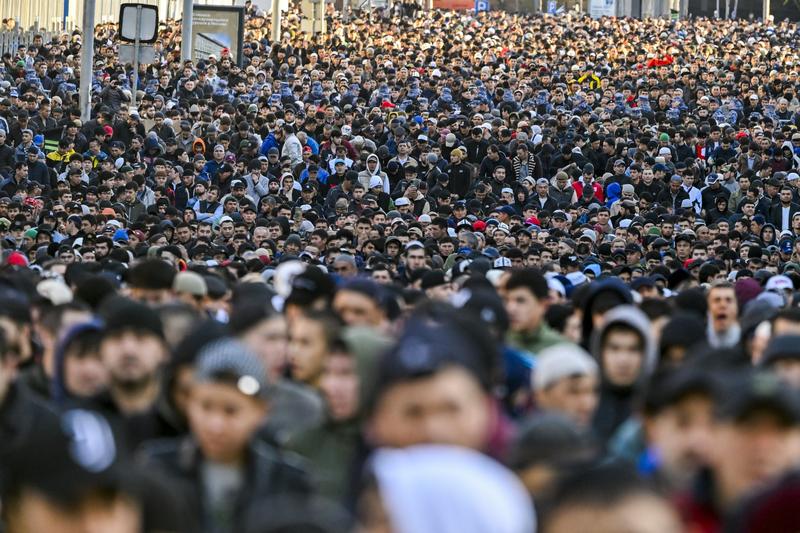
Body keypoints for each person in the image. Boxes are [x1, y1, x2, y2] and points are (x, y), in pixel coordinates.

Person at [138, 338, 311, 533]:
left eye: (231, 411)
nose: (216, 425)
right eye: (206, 407)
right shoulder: (156, 469)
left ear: (261, 412)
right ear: (189, 403)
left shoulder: (287, 480)